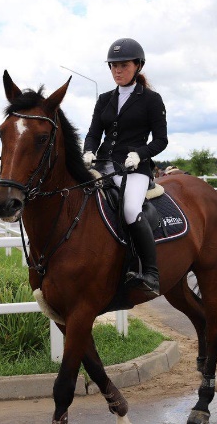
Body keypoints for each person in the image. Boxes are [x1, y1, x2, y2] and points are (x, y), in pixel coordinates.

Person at [83, 37, 168, 295]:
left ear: (138, 66)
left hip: (134, 168)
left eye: (123, 65)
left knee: (130, 209)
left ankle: (151, 273)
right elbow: (93, 133)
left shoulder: (151, 100)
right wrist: (87, 151)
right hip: (103, 165)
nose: (117, 71)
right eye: (113, 66)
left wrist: (140, 154)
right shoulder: (105, 99)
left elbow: (161, 140)